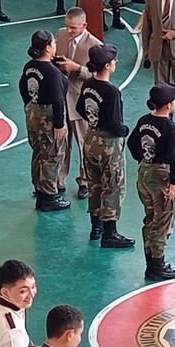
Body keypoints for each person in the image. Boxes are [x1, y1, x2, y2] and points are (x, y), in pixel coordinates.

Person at [127, 83, 175, 281]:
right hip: (162, 176)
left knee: (150, 218)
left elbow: (132, 143)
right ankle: (158, 266)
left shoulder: (144, 121)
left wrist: (143, 159)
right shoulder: (171, 128)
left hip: (145, 172)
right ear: (169, 105)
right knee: (162, 223)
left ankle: (151, 264)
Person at [78, 43, 133, 249]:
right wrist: (125, 130)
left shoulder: (88, 85)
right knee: (113, 186)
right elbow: (115, 124)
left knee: (94, 183)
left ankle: (96, 227)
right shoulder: (112, 92)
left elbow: (80, 108)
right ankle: (110, 233)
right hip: (109, 144)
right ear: (109, 65)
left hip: (91, 138)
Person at [20, 30, 72, 212]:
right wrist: (59, 124)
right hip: (48, 116)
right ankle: (49, 196)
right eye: (54, 43)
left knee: (38, 152)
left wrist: (29, 106)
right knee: (52, 155)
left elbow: (22, 87)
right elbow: (58, 100)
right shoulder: (51, 72)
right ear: (48, 47)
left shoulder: (30, 66)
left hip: (33, 112)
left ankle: (39, 188)